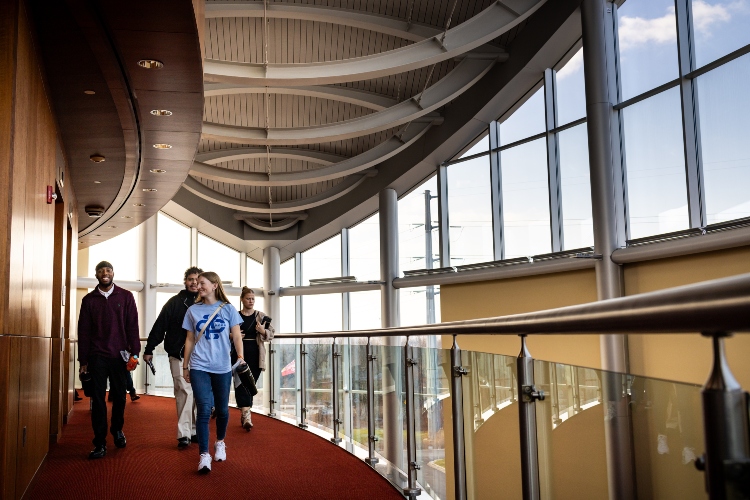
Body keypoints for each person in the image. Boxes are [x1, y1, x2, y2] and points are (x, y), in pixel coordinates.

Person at [182, 271, 244, 474]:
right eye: (197, 283)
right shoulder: (192, 310)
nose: (198, 286)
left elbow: (236, 336)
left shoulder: (228, 309)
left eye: (202, 283)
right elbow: (190, 339)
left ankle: (220, 442)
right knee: (204, 409)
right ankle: (204, 455)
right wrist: (186, 365)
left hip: (222, 366)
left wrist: (240, 357)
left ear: (215, 285)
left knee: (223, 410)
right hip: (200, 365)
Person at [77, 261, 140, 459]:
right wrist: (83, 360)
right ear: (96, 275)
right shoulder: (89, 300)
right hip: (97, 357)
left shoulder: (126, 296)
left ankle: (117, 430)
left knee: (120, 397)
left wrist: (135, 353)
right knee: (98, 400)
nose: (105, 273)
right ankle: (99, 442)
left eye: (108, 271)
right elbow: (84, 332)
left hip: (120, 356)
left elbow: (132, 326)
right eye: (101, 271)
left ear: (113, 273)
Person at [143, 267, 203, 448]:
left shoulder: (207, 303)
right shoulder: (174, 303)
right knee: (184, 391)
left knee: (198, 393)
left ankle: (193, 430)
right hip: (177, 354)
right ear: (185, 281)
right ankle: (184, 433)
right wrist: (149, 348)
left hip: (202, 356)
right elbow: (160, 326)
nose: (194, 283)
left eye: (197, 280)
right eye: (190, 279)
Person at [233, 287, 274, 430]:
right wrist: (233, 337)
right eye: (248, 299)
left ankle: (245, 413)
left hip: (256, 354)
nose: (251, 301)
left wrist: (263, 331)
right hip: (238, 353)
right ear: (242, 300)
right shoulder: (235, 315)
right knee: (240, 383)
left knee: (250, 384)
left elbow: (271, 333)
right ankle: (246, 415)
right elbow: (226, 332)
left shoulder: (260, 316)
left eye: (253, 299)